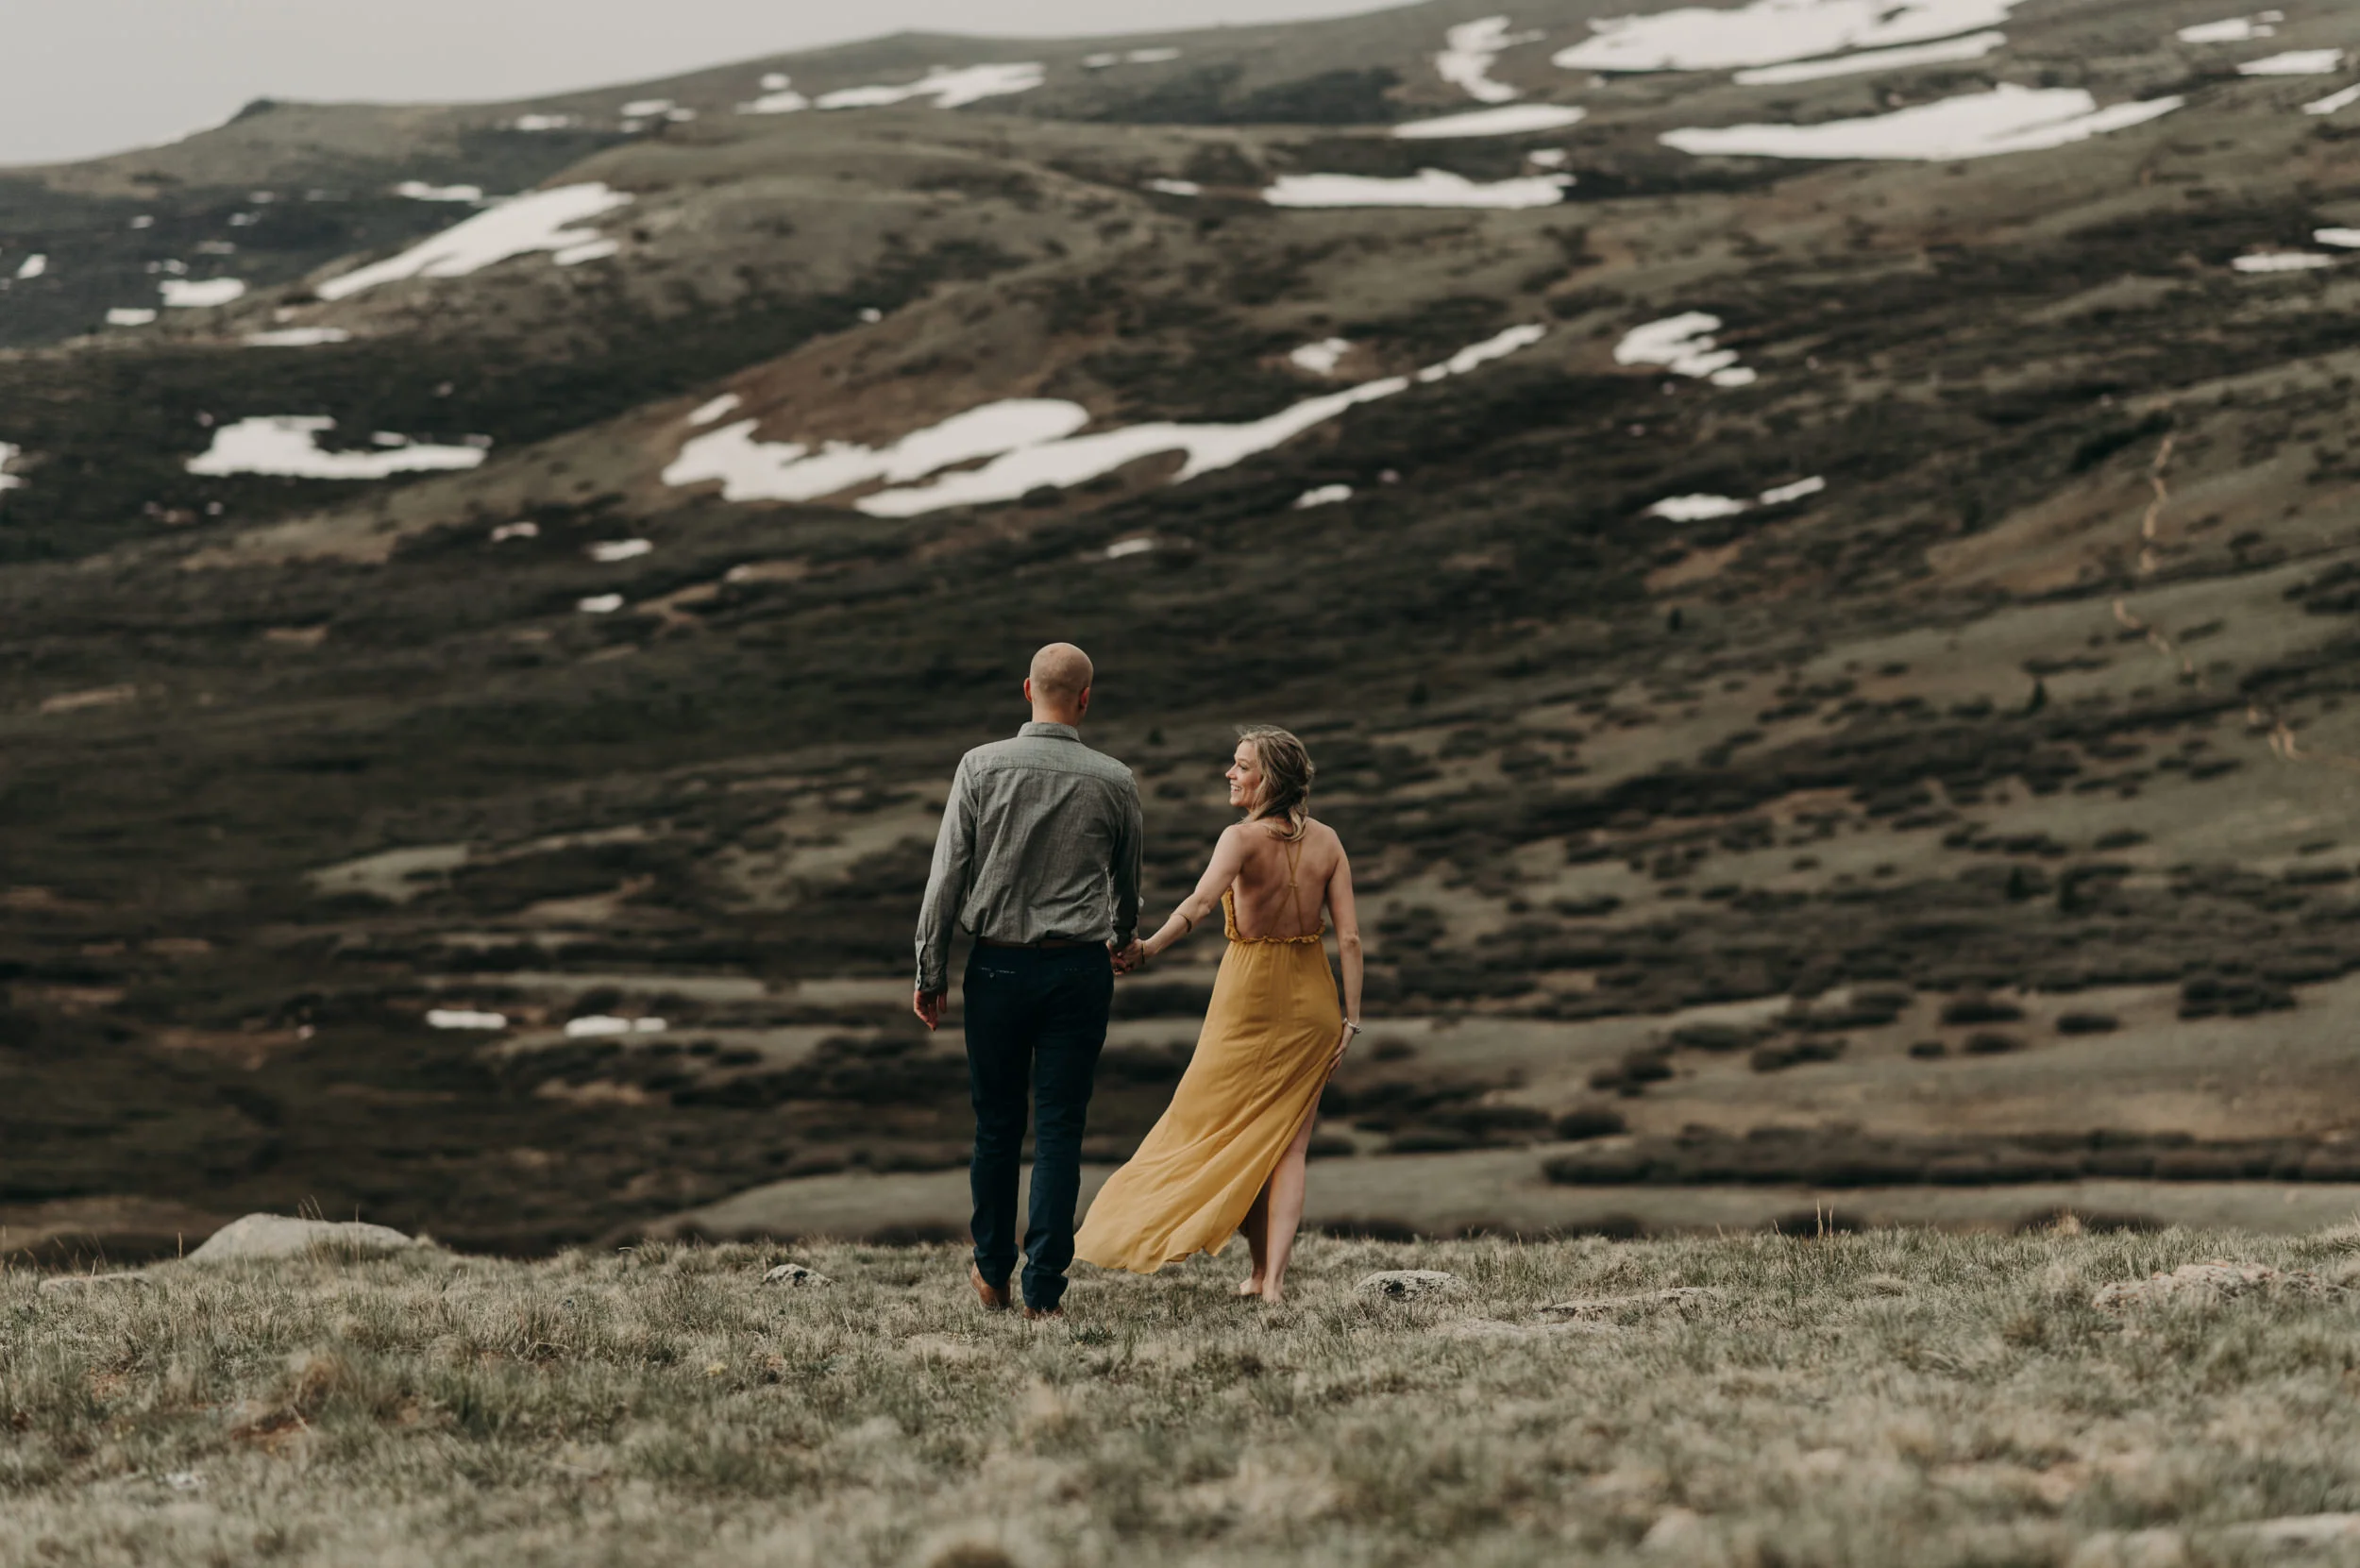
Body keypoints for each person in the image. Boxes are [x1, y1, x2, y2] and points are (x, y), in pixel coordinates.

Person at [1074, 726, 1362, 1303]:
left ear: (1269, 779)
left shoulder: (1240, 838)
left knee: (1199, 1123)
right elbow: (1350, 939)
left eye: (1241, 766)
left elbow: (1201, 903)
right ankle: (1269, 1280)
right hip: (1314, 1003)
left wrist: (1147, 949)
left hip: (1246, 998)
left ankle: (1236, 1263)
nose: (1230, 774)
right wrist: (1350, 1019)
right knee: (1288, 1146)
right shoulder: (1329, 842)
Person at [914, 643, 1143, 1321]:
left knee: (996, 1125)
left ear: (1026, 689)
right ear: (1086, 698)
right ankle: (1044, 1291)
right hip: (1079, 969)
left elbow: (947, 875)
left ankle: (992, 1271)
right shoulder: (1115, 779)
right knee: (1060, 1128)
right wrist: (1121, 935)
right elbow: (1126, 879)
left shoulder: (980, 766)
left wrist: (930, 968)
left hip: (997, 966)